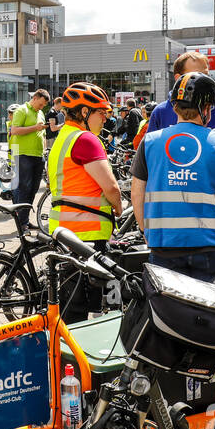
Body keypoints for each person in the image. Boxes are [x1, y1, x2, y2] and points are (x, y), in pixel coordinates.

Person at [133, 74, 215, 284]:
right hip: (210, 246)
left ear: (174, 107)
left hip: (164, 244)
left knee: (168, 311)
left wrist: (144, 230)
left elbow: (137, 192)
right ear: (207, 109)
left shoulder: (150, 141)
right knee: (210, 310)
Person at [48, 82, 122, 322]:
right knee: (83, 305)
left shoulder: (63, 137)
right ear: (84, 112)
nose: (105, 119)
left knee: (72, 304)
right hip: (87, 234)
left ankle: (67, 351)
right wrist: (119, 206)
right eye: (101, 112)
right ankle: (75, 354)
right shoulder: (85, 140)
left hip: (66, 229)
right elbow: (111, 187)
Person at [146, 51, 215, 143]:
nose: (204, 80)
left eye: (206, 75)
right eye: (196, 74)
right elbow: (149, 148)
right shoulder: (160, 112)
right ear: (179, 78)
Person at [7, 89, 50, 230]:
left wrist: (44, 149)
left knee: (34, 188)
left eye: (44, 106)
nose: (42, 107)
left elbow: (42, 133)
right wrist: (35, 128)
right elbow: (14, 130)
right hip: (24, 155)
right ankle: (22, 222)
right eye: (41, 104)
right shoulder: (21, 110)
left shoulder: (40, 113)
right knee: (24, 187)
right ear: (35, 98)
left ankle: (24, 220)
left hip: (38, 155)